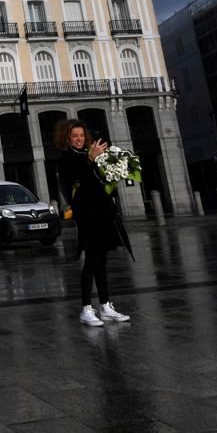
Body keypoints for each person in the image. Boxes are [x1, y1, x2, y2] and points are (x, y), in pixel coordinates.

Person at [55, 118, 133, 327]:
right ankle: (86, 309)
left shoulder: (91, 154)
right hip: (87, 215)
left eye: (81, 135)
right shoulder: (66, 158)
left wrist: (116, 167)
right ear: (67, 138)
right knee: (91, 261)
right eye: (75, 136)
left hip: (102, 211)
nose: (79, 139)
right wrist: (91, 159)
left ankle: (106, 306)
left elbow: (102, 178)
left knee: (101, 261)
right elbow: (75, 176)